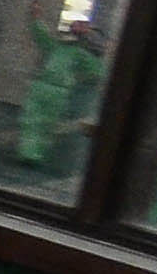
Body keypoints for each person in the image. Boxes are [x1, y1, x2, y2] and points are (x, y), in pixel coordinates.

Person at [14, 14, 107, 169]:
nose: (77, 26)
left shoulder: (80, 52)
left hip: (55, 89)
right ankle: (29, 154)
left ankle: (32, 154)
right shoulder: (61, 46)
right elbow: (43, 37)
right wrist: (36, 19)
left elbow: (97, 71)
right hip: (47, 87)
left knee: (43, 123)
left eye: (81, 24)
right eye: (76, 23)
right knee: (32, 121)